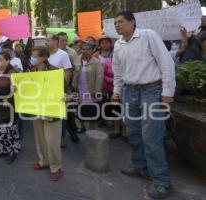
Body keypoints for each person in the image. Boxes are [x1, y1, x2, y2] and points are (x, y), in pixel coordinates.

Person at [112, 11, 176, 199]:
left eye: (121, 21)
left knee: (151, 136)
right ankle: (139, 167)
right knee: (133, 132)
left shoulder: (148, 35)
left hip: (152, 91)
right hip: (129, 92)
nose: (117, 25)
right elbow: (118, 71)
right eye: (115, 22)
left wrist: (167, 94)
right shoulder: (118, 44)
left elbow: (167, 63)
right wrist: (117, 92)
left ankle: (162, 180)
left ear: (132, 22)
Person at [30, 47, 66, 181]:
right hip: (36, 109)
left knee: (52, 141)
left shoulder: (54, 71)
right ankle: (44, 161)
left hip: (51, 110)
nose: (32, 58)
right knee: (40, 138)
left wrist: (66, 97)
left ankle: (56, 166)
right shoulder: (31, 71)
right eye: (32, 55)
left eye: (35, 56)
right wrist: (17, 88)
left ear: (44, 57)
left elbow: (66, 89)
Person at [0, 52, 21, 164]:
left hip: (7, 109)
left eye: (1, 60)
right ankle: (1, 149)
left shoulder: (13, 74)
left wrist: (9, 99)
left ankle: (12, 151)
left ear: (8, 61)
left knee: (9, 132)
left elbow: (18, 92)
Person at [45, 34, 73, 147]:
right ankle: (50, 137)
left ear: (56, 41)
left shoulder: (63, 54)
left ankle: (62, 137)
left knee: (61, 115)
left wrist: (62, 88)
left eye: (48, 40)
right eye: (45, 40)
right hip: (46, 90)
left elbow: (68, 72)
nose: (46, 42)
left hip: (59, 90)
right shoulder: (45, 54)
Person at [73, 42, 104, 130]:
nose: (85, 51)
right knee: (81, 108)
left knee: (92, 110)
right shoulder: (77, 60)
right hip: (80, 89)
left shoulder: (96, 62)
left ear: (92, 50)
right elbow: (73, 73)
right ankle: (82, 126)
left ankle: (91, 129)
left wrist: (97, 90)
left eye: (88, 49)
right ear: (81, 50)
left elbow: (100, 77)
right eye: (83, 49)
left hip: (91, 90)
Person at [57, 32, 80, 144]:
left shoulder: (72, 53)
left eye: (66, 40)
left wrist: (72, 84)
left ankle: (73, 133)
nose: (65, 42)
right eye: (62, 40)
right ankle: (61, 137)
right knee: (59, 112)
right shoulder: (52, 53)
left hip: (68, 86)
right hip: (56, 87)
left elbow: (77, 68)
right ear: (57, 41)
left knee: (70, 111)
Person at [102, 58, 122, 138]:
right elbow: (103, 74)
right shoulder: (107, 62)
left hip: (125, 89)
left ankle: (124, 130)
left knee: (125, 109)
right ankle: (117, 129)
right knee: (115, 110)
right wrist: (111, 80)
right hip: (111, 90)